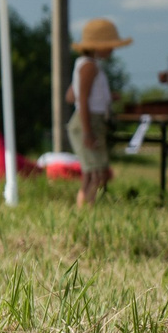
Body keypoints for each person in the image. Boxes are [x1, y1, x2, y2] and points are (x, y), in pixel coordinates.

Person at [70, 17, 129, 206]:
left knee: (92, 173)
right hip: (89, 122)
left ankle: (84, 208)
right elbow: (82, 99)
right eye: (110, 45)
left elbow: (71, 95)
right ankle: (86, 209)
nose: (112, 49)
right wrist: (88, 132)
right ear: (98, 45)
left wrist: (107, 97)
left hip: (89, 120)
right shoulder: (89, 66)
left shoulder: (85, 64)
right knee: (97, 174)